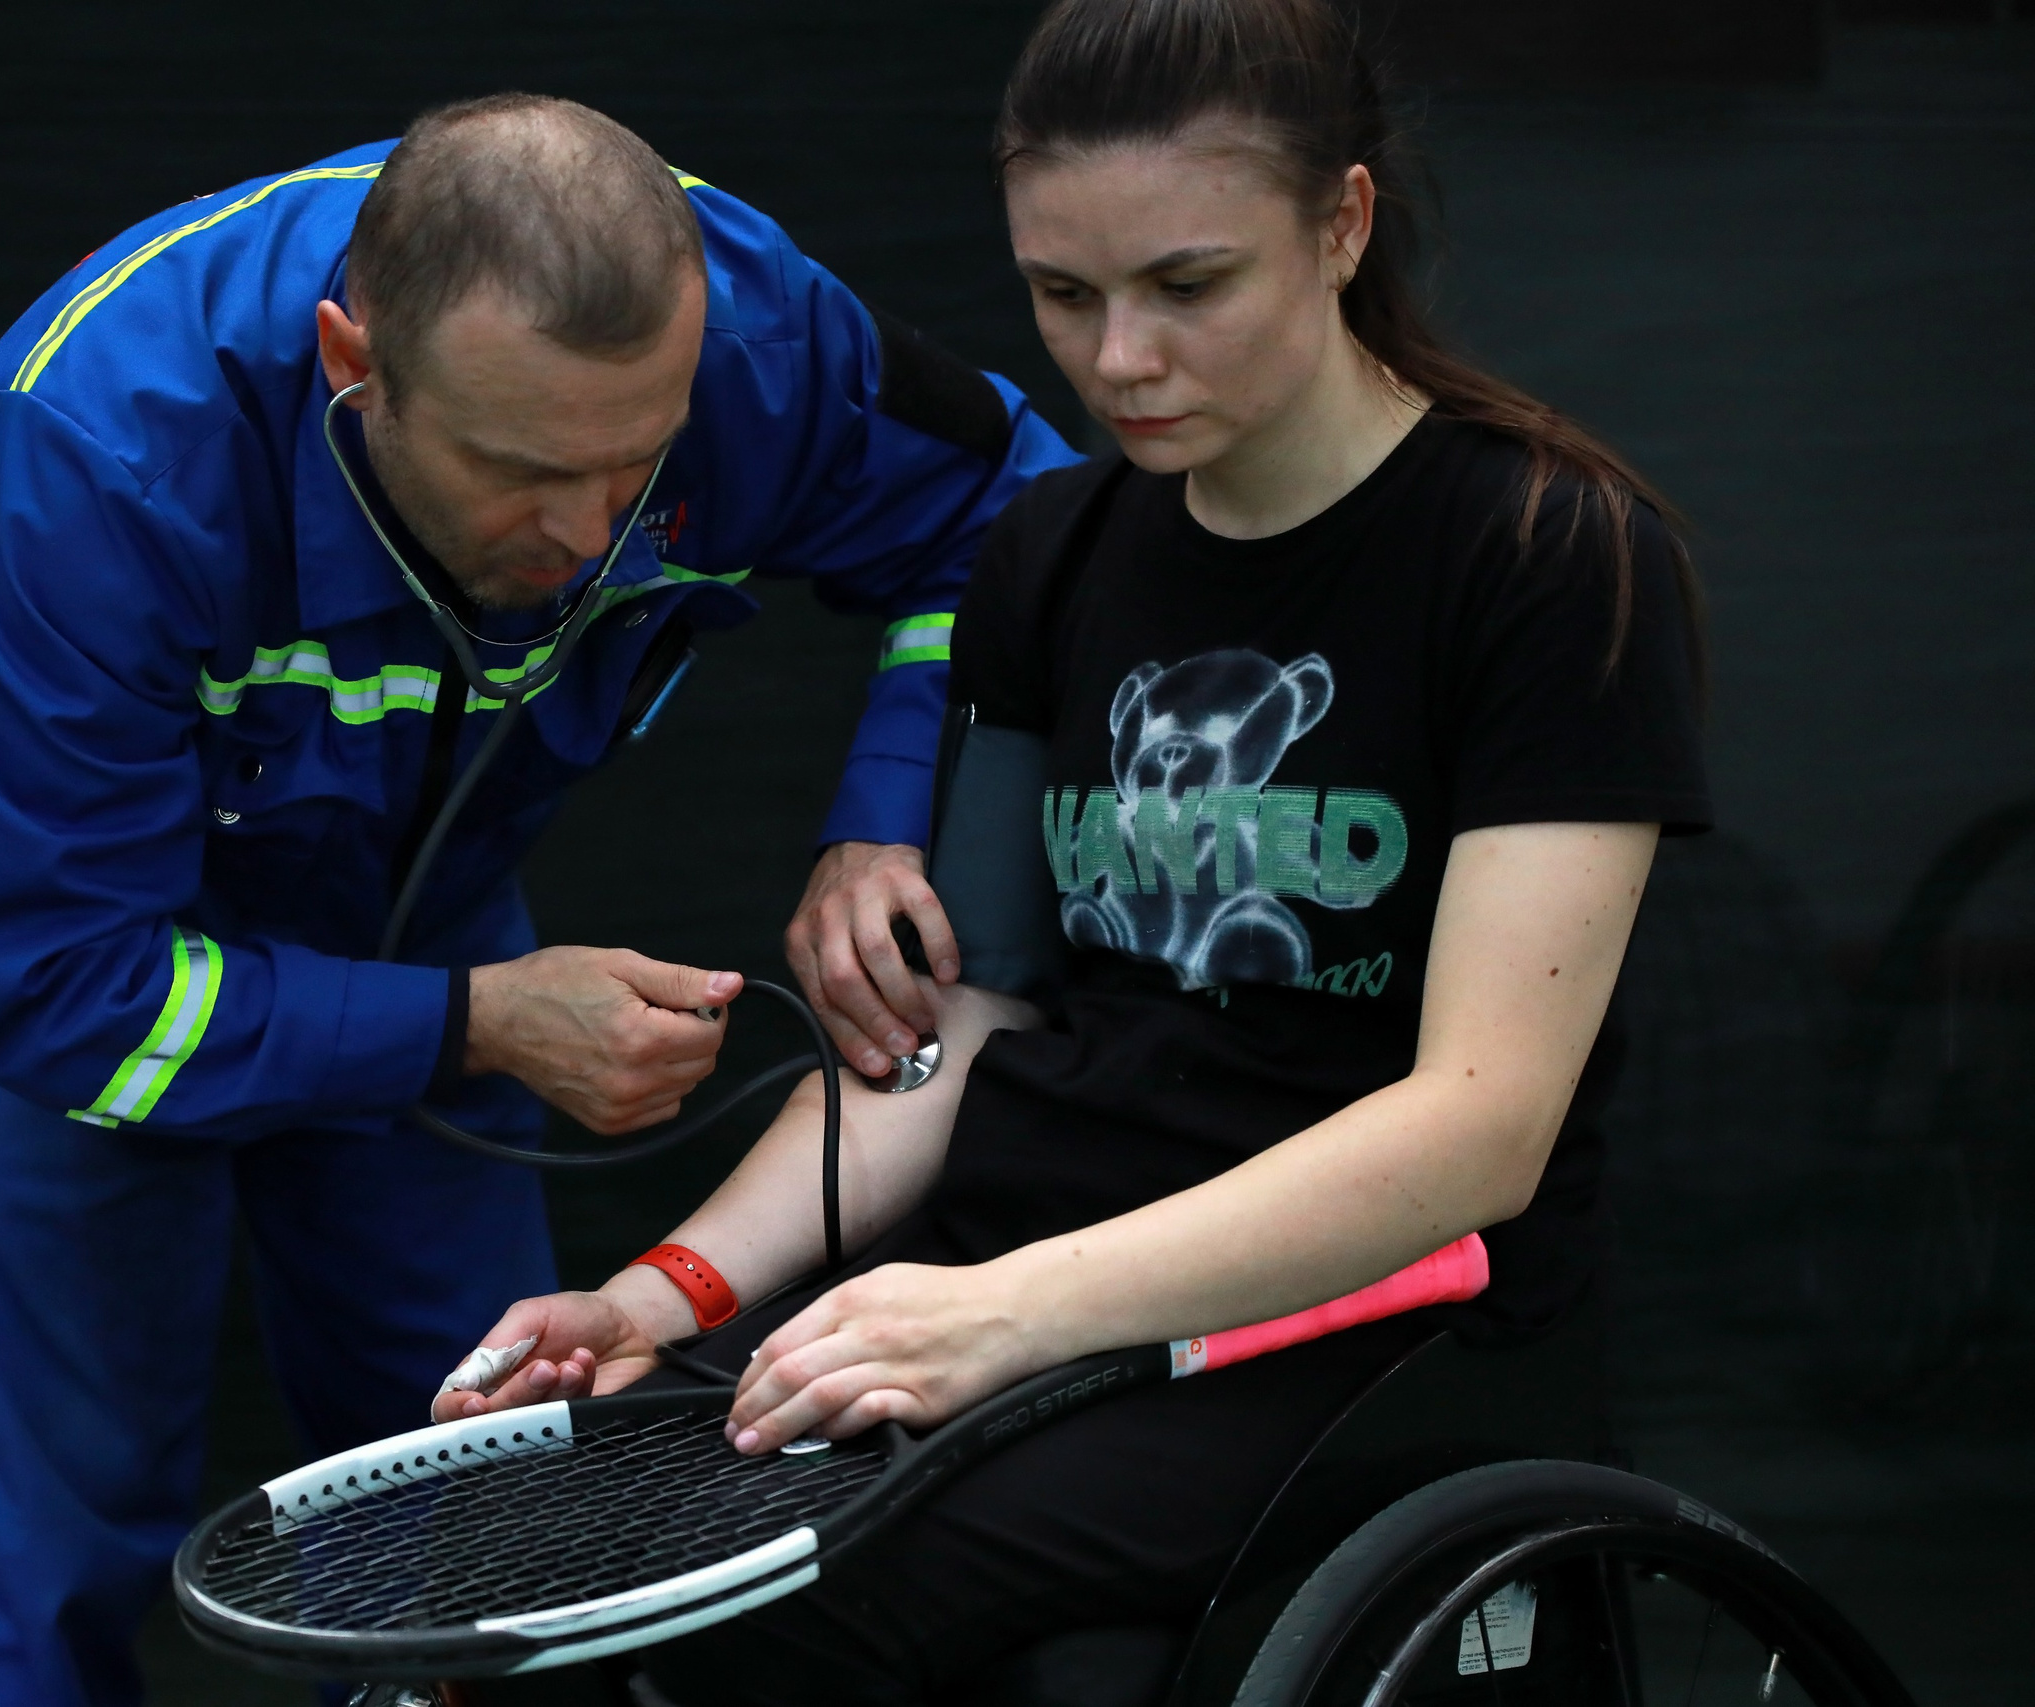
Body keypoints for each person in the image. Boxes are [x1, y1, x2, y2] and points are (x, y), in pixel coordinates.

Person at [433, 2, 1713, 1701]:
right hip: (1016, 1282)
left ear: (1342, 223)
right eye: (1063, 293)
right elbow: (965, 1029)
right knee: (545, 1541)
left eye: (1188, 286)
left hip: (1362, 1331)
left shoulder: (1546, 554)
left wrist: (1008, 1315)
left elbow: (1482, 1128)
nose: (1118, 361)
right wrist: (663, 1296)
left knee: (774, 1597)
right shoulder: (1046, 552)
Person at [0, 93, 1075, 1706]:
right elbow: (57, 993)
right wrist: (475, 1026)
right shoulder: (88, 455)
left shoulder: (762, 335)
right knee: (29, 1525)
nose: (587, 537)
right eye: (524, 471)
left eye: (638, 467)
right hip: (100, 945)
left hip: (429, 913)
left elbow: (1017, 518)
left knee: (470, 1482)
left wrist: (890, 818)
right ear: (352, 365)